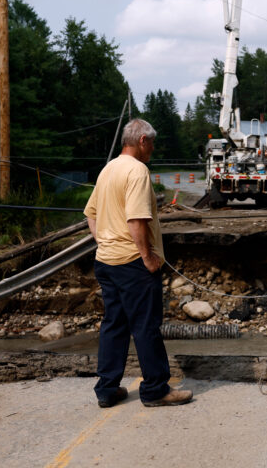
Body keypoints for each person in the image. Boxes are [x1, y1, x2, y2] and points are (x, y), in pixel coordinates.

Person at [84, 119, 192, 408]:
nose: (153, 149)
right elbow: (136, 220)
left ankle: (107, 389)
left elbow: (90, 214)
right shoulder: (137, 171)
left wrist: (104, 241)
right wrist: (148, 257)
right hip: (132, 263)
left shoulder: (108, 169)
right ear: (142, 140)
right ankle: (156, 389)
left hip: (106, 260)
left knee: (114, 324)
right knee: (146, 326)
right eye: (152, 143)